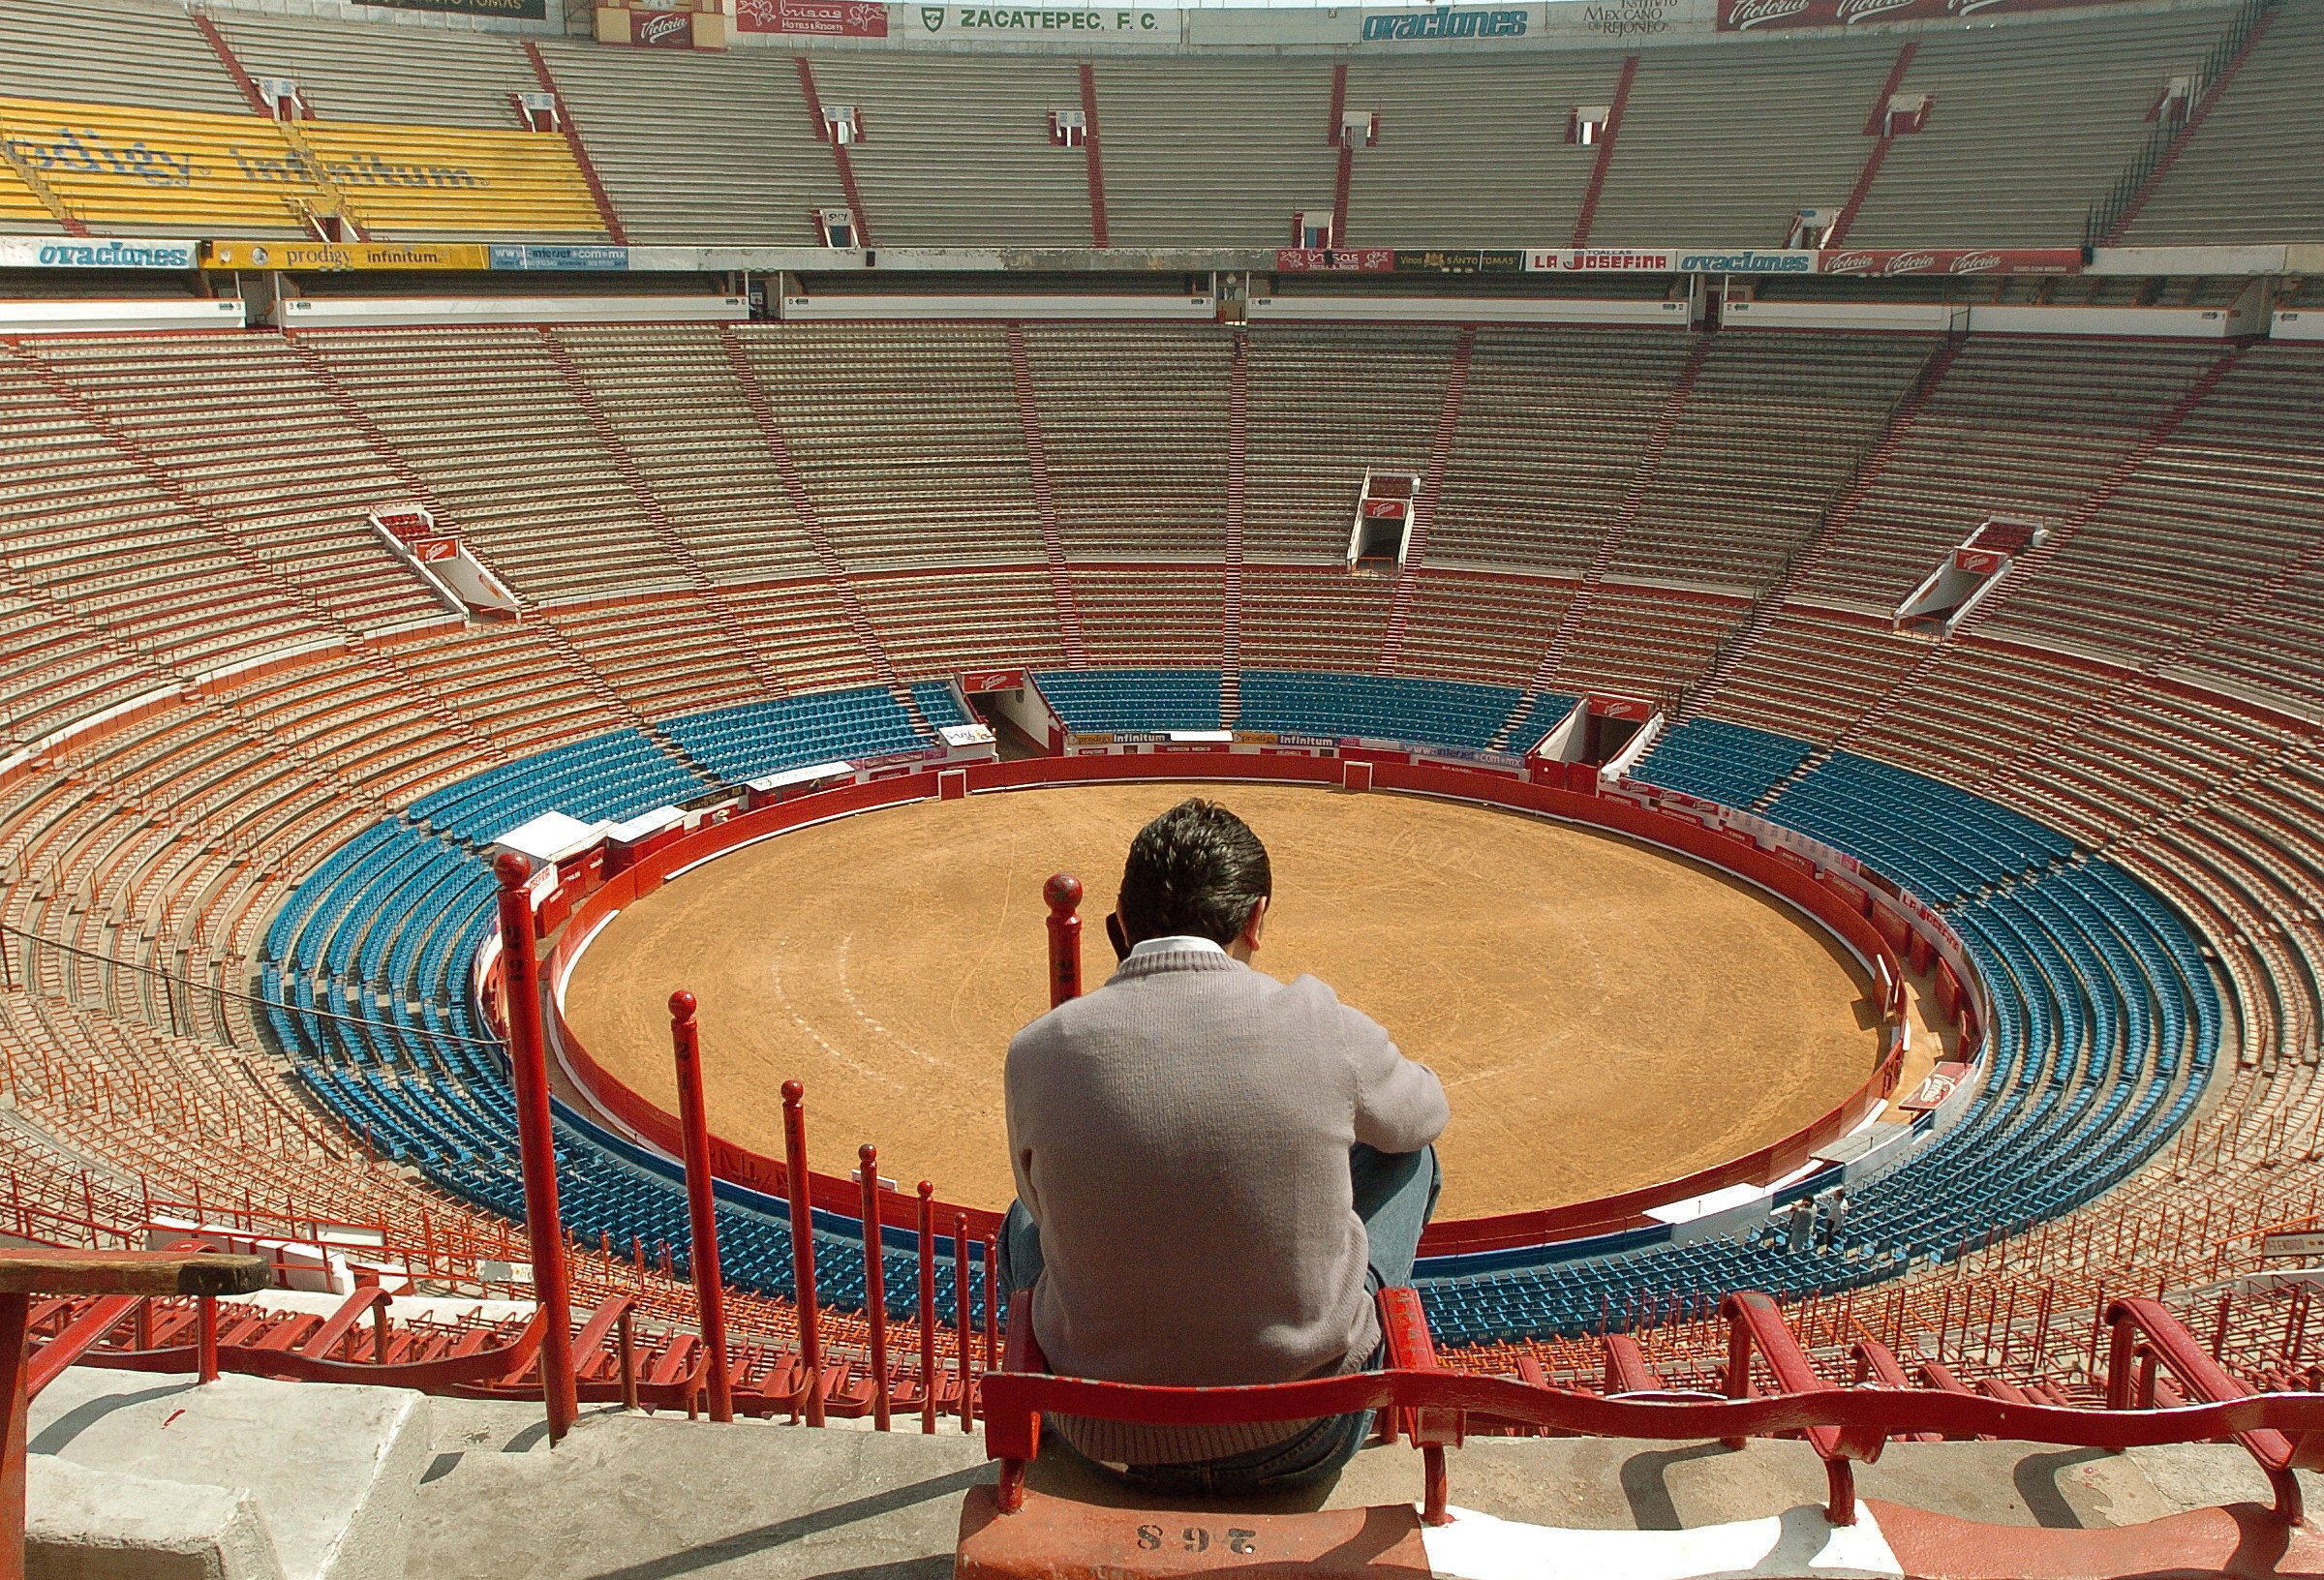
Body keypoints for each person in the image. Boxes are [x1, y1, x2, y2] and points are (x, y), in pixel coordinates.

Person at [1000, 797, 1449, 1493]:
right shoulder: (1316, 1018)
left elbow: (1040, 1206)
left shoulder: (1036, 1051)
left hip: (1098, 1432)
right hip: (1303, 1432)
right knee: (1411, 1157)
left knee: (1023, 1214)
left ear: (1122, 926)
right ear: (1255, 919)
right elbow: (1423, 1117)